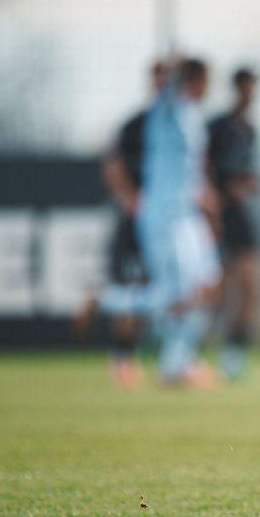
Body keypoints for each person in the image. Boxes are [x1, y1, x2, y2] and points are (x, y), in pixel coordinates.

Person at [100, 58, 222, 388]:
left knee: (207, 283)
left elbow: (191, 168)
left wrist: (204, 195)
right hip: (164, 217)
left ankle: (181, 357)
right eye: (200, 81)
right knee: (176, 292)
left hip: (188, 215)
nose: (205, 89)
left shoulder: (194, 116)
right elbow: (114, 163)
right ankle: (110, 302)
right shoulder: (162, 112)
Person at [94, 60, 172, 389]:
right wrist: (132, 200)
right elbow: (112, 166)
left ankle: (169, 359)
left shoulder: (178, 125)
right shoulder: (137, 125)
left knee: (154, 291)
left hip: (165, 224)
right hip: (135, 224)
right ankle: (122, 361)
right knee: (129, 291)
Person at [209, 68, 260, 379]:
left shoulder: (250, 131)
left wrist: (250, 183)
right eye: (245, 89)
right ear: (236, 89)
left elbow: (243, 174)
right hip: (216, 217)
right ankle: (186, 351)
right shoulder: (217, 127)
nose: (249, 95)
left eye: (253, 89)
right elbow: (204, 169)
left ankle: (233, 355)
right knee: (216, 290)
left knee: (251, 287)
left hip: (240, 217)